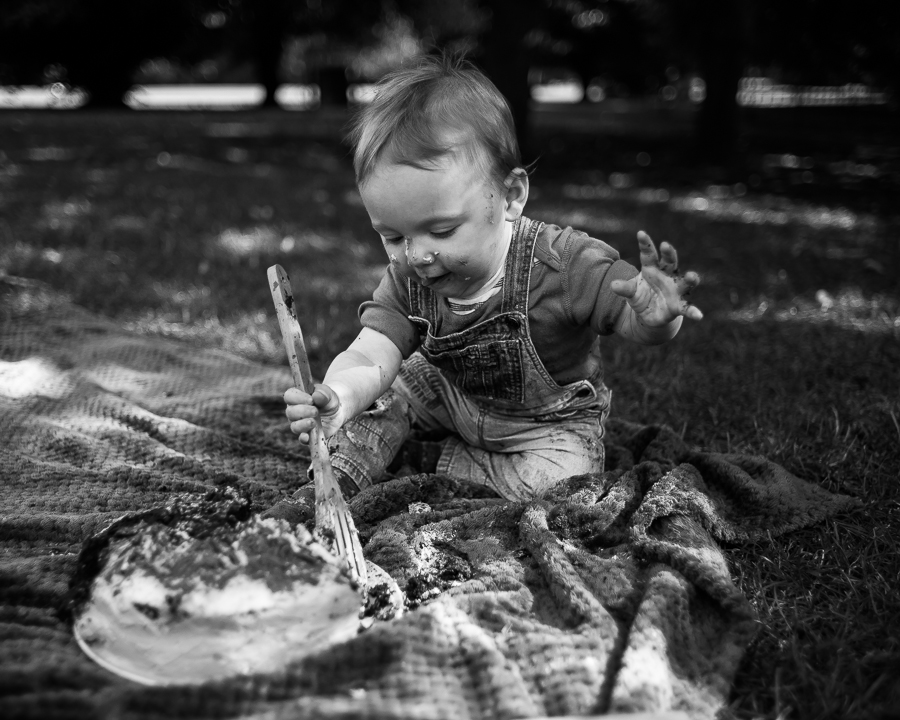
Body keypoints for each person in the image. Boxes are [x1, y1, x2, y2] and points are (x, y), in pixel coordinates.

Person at [283, 54, 702, 504]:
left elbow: (633, 320)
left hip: (545, 425)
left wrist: (657, 317)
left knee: (560, 485)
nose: (417, 255)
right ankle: (338, 477)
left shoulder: (564, 264)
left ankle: (429, 463)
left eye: (441, 231)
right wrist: (341, 396)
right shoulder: (408, 277)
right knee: (377, 399)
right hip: (447, 394)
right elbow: (371, 352)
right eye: (392, 236)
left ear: (510, 197)